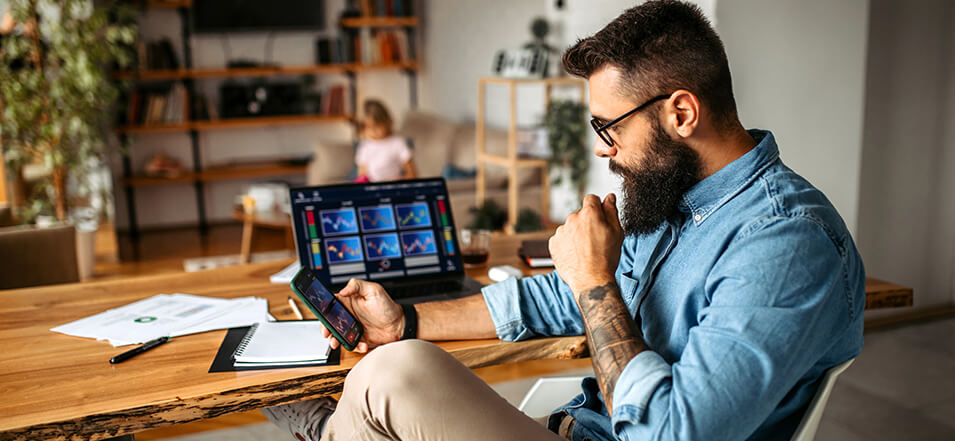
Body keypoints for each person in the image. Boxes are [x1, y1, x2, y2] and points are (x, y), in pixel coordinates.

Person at [262, 1, 865, 440]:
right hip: (573, 430)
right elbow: (558, 296)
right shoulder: (678, 200)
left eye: (609, 127)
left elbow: (673, 433)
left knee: (392, 377)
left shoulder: (784, 243)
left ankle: (332, 432)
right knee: (395, 360)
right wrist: (406, 319)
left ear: (682, 111)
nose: (603, 149)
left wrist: (595, 281)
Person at [354, 99, 417, 182]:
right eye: (368, 127)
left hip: (393, 187)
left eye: (377, 126)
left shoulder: (397, 143)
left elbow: (412, 174)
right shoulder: (365, 147)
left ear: (386, 122)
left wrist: (399, 181)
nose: (373, 131)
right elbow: (362, 175)